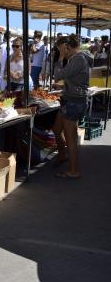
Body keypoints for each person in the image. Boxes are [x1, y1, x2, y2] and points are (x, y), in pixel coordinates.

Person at [52, 35, 91, 179]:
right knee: (56, 129)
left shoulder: (78, 59)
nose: (61, 52)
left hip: (74, 102)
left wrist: (60, 58)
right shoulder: (76, 59)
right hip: (69, 100)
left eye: (61, 49)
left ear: (67, 47)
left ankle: (74, 170)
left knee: (71, 137)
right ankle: (62, 155)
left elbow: (58, 75)